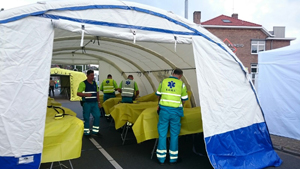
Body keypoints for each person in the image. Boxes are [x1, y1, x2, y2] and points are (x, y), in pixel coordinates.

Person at [156, 68, 188, 165]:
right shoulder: (181, 84)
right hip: (175, 113)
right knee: (174, 135)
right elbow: (184, 99)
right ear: (180, 76)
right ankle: (173, 158)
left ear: (172, 73)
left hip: (164, 111)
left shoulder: (163, 82)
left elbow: (158, 95)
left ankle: (161, 158)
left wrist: (159, 104)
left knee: (162, 134)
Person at [77, 70, 101, 136]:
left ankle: (95, 131)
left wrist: (99, 102)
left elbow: (97, 93)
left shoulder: (95, 83)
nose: (93, 77)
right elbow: (78, 93)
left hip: (95, 103)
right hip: (87, 103)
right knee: (86, 117)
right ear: (87, 76)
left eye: (93, 75)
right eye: (91, 75)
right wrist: (86, 95)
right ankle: (86, 132)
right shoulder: (83, 83)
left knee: (97, 116)